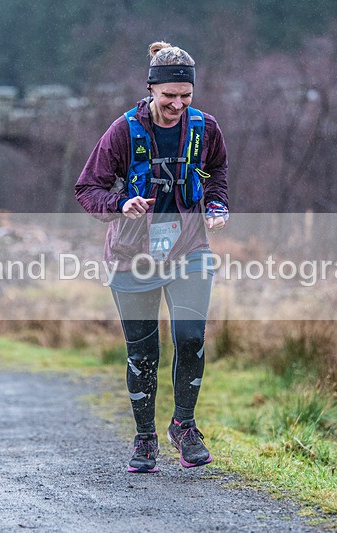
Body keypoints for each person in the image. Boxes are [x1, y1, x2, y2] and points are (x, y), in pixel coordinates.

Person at [75, 41, 229, 473]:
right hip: (132, 254)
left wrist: (217, 204)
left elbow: (216, 170)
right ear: (150, 89)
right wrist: (121, 202)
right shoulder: (123, 132)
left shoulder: (205, 127)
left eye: (186, 95)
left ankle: (184, 425)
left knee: (191, 337)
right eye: (169, 96)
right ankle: (144, 439)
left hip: (189, 249)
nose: (177, 104)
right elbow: (87, 188)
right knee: (143, 353)